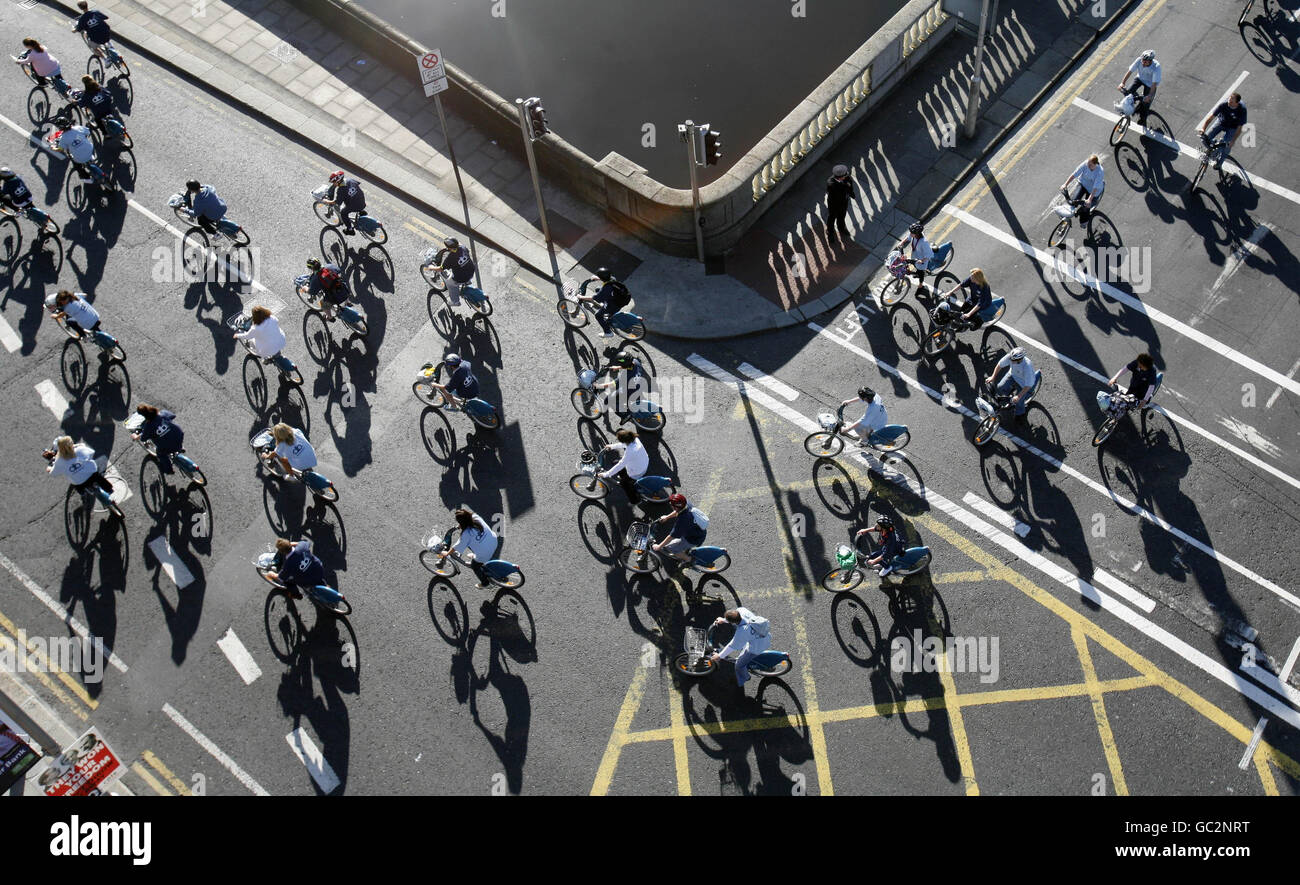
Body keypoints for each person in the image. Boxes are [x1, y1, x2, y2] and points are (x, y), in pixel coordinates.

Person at [708, 608, 771, 688]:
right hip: (764, 636)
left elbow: (732, 646)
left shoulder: (742, 632)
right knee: (742, 643)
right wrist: (724, 620)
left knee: (739, 665)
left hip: (757, 647)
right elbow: (736, 620)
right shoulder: (742, 611)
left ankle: (745, 677)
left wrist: (720, 656)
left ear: (732, 622)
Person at [43, 435, 114, 497]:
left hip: (80, 482)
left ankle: (82, 493)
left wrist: (49, 468)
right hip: (92, 474)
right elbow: (92, 453)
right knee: (100, 479)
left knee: (77, 485)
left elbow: (53, 473)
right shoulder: (79, 450)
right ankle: (109, 490)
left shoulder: (59, 461)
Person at [652, 493, 708, 566]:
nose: (670, 504)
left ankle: (689, 560)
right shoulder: (686, 504)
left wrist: (659, 547)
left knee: (670, 547)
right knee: (676, 543)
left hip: (693, 539)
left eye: (671, 504)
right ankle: (684, 552)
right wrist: (667, 517)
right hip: (697, 531)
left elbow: (671, 536)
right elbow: (677, 511)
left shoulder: (683, 520)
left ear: (676, 507)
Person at [985, 346, 1037, 424]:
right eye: (1011, 359)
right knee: (1000, 387)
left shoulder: (1027, 367)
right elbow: (1000, 365)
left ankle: (1020, 413)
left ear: (1020, 360)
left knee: (1019, 401)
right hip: (1012, 375)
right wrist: (993, 377)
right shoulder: (1011, 357)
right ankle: (1009, 400)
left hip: (1024, 384)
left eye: (1013, 360)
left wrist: (1018, 396)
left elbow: (1028, 385)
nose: (1011, 361)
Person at [451, 507, 499, 590]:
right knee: (474, 542)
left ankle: (486, 583)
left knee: (475, 567)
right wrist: (460, 525)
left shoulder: (466, 534)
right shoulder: (476, 517)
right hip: (494, 541)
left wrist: (447, 553)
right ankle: (476, 555)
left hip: (485, 553)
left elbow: (457, 546)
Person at [1197, 92, 1247, 171]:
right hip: (1221, 122)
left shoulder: (1242, 110)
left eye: (1231, 102)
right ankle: (1213, 144)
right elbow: (1211, 117)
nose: (1229, 103)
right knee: (1205, 138)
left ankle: (1220, 163)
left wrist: (1233, 141)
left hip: (1232, 127)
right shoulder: (1223, 105)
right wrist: (1203, 128)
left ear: (1237, 103)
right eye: (1229, 100)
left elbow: (1240, 127)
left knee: (1227, 146)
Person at [599, 428, 649, 505]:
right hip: (643, 463)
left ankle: (635, 501)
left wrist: (606, 474)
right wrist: (611, 446)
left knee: (624, 484)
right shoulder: (635, 439)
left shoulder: (630, 451)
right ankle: (626, 478)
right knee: (616, 462)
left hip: (638, 472)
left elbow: (621, 464)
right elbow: (624, 444)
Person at [894, 222, 948, 293]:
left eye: (911, 233)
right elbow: (908, 238)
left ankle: (921, 285)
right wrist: (902, 243)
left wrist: (921, 261)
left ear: (916, 234)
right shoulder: (914, 235)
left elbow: (929, 254)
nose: (910, 233)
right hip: (915, 256)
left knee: (920, 273)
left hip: (921, 260)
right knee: (908, 263)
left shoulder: (924, 242)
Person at [578, 267, 631, 338]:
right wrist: (597, 278)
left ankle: (608, 332)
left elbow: (594, 298)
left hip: (615, 305)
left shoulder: (606, 289)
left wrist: (581, 297)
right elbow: (606, 280)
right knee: (597, 289)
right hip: (623, 298)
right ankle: (608, 310)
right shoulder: (612, 279)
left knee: (598, 315)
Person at [131, 404, 183, 474]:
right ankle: (180, 448)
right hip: (179, 435)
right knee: (172, 437)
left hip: (168, 447)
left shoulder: (148, 427)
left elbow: (143, 438)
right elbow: (173, 416)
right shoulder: (162, 413)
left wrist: (135, 436)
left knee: (161, 454)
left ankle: (169, 470)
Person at [49, 116, 100, 182]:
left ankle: (87, 178)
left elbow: (61, 149)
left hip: (80, 158)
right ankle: (91, 158)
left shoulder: (63, 138)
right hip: (91, 150)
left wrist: (53, 148)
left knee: (77, 165)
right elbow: (88, 132)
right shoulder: (78, 128)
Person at [429, 237, 477, 306]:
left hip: (461, 278)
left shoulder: (450, 258)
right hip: (471, 270)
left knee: (449, 283)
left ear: (448, 247)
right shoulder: (463, 247)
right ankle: (467, 282)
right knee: (462, 268)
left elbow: (441, 269)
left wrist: (432, 267)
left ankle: (455, 302)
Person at [1117, 50, 1160, 126]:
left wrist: (1149, 96)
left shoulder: (1156, 67)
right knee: (1128, 92)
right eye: (1143, 60)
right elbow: (1130, 71)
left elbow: (1154, 84)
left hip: (1150, 84)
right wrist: (1122, 83)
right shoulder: (1139, 60)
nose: (1143, 63)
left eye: (1146, 62)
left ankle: (1143, 119)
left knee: (1146, 103)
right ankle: (1133, 104)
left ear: (1151, 61)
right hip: (1139, 79)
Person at [1062, 155, 1104, 224]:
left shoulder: (1099, 172)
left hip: (1093, 191)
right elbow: (1075, 174)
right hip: (1083, 184)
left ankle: (1084, 222)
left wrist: (1089, 200)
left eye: (1090, 165)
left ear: (1095, 164)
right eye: (1088, 163)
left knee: (1086, 208)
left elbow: (1095, 187)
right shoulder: (1086, 164)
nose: (1088, 165)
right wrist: (1065, 184)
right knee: (1073, 202)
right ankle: (1066, 221)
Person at [322, 170, 366, 234]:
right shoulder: (349, 180)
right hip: (362, 200)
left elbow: (337, 203)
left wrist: (327, 201)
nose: (333, 184)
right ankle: (362, 212)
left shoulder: (341, 190)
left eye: (334, 182)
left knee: (343, 213)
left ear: (338, 181)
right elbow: (357, 183)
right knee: (354, 200)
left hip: (356, 205)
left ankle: (350, 229)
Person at [825, 163, 858, 246]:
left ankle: (841, 228)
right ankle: (830, 232)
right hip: (834, 204)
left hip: (844, 201)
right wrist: (846, 185)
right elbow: (838, 191)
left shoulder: (847, 178)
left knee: (842, 216)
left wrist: (851, 193)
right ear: (839, 177)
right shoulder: (831, 183)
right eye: (844, 175)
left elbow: (850, 186)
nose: (847, 176)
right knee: (832, 218)